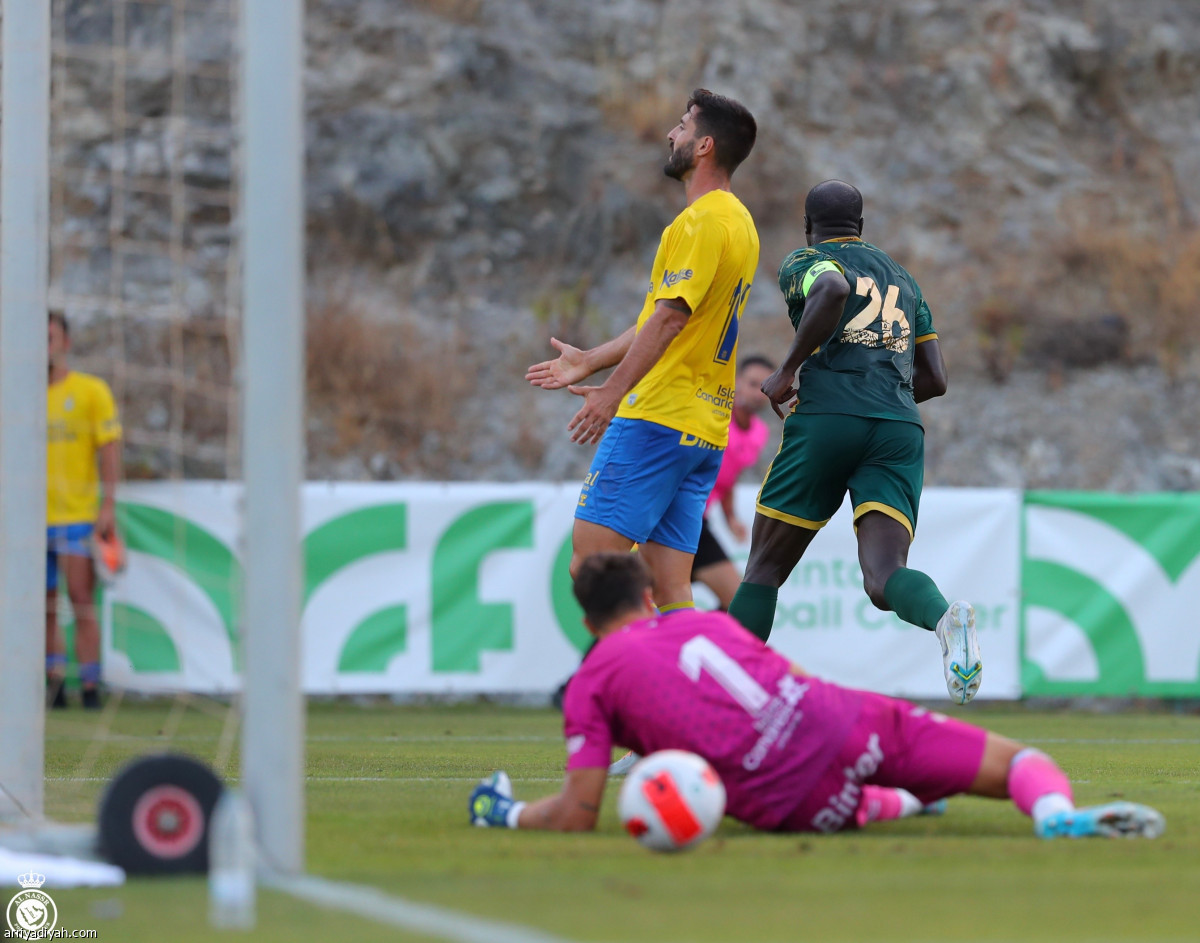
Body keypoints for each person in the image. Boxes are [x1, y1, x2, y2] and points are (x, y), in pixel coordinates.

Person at [468, 553, 1165, 840]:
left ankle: (913, 798)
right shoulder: (705, 621)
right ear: (651, 597)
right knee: (1018, 760)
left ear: (587, 622)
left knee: (854, 803)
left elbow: (579, 810)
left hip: (784, 798)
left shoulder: (592, 680)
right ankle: (1054, 815)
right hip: (839, 718)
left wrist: (506, 812)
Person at [726, 180, 982, 704]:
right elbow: (935, 378)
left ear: (808, 226)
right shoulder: (905, 282)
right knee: (884, 577)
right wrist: (881, 397)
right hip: (898, 427)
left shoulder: (807, 260)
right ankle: (943, 618)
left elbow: (833, 289)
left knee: (764, 570)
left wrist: (787, 370)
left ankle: (719, 703)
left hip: (827, 418)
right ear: (861, 227)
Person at [526, 89, 760, 616]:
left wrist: (612, 392)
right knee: (673, 591)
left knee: (591, 572)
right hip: (702, 429)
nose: (671, 135)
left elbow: (670, 320)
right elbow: (661, 318)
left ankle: (648, 688)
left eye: (681, 126)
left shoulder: (699, 222)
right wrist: (592, 360)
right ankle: (688, 694)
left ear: (703, 146)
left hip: (656, 418)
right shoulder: (740, 222)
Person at [46, 311, 122, 709]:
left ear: (64, 343)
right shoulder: (17, 394)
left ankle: (90, 686)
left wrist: (107, 503)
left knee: (80, 599)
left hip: (76, 517)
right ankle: (53, 682)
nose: (45, 346)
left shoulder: (90, 391)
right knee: (40, 604)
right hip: (29, 521)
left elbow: (108, 448)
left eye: (50, 338)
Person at [691, 354, 774, 610]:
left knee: (736, 604)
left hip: (696, 522)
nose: (758, 393)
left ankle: (699, 645)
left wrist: (730, 518)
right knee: (640, 601)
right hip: (675, 515)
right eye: (752, 384)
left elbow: (729, 477)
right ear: (736, 382)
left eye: (765, 387)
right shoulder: (713, 417)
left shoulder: (760, 433)